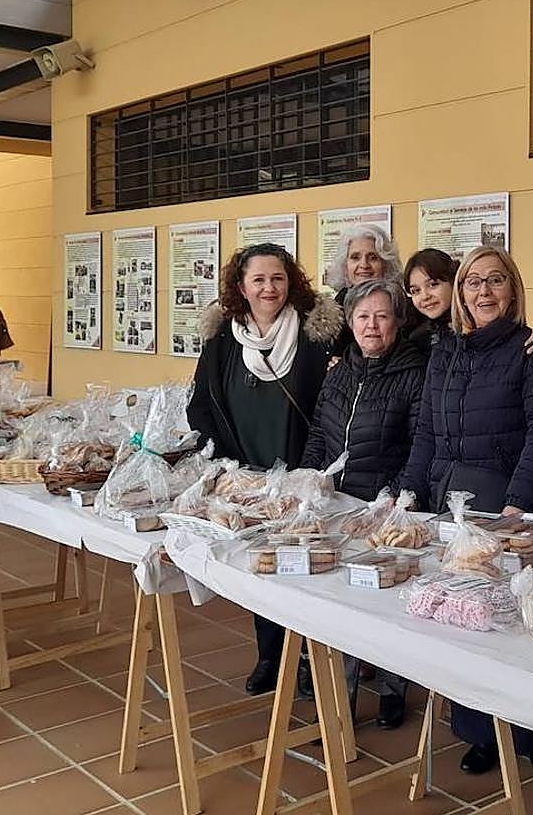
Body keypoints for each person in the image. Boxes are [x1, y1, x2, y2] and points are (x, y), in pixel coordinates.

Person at [399, 245, 533, 775]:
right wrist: (407, 493)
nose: (483, 292)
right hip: (448, 502)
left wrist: (518, 504)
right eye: (473, 282)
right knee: (458, 620)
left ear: (511, 289)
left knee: (510, 624)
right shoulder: (444, 348)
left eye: (495, 281)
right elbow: (425, 429)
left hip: (499, 503)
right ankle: (478, 731)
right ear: (461, 292)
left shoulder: (528, 348)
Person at [186, 242, 343, 697]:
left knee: (311, 566)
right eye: (258, 279)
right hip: (247, 474)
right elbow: (202, 405)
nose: (269, 288)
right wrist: (226, 466)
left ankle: (313, 661)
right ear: (241, 286)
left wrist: (316, 468)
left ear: (291, 281)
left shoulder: (319, 335)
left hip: (304, 472)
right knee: (262, 566)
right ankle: (271, 656)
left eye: (278, 278)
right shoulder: (221, 341)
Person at [300, 278, 425, 729]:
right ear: (350, 323)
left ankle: (394, 688)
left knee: (386, 604)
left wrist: (392, 495)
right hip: (337, 508)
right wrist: (308, 478)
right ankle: (340, 699)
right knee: (339, 602)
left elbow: (417, 445)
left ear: (397, 322)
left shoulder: (414, 374)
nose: (372, 326)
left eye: (382, 316)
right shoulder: (339, 373)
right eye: (363, 316)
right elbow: (319, 433)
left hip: (384, 510)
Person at [324, 225, 404, 354]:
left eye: (373, 257)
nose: (364, 265)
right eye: (355, 257)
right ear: (345, 266)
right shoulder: (329, 319)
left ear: (385, 264)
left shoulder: (408, 310)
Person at [403, 247, 456, 349]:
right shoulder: (419, 339)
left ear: (453, 282)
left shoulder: (474, 328)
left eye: (432, 284)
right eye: (416, 291)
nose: (425, 296)